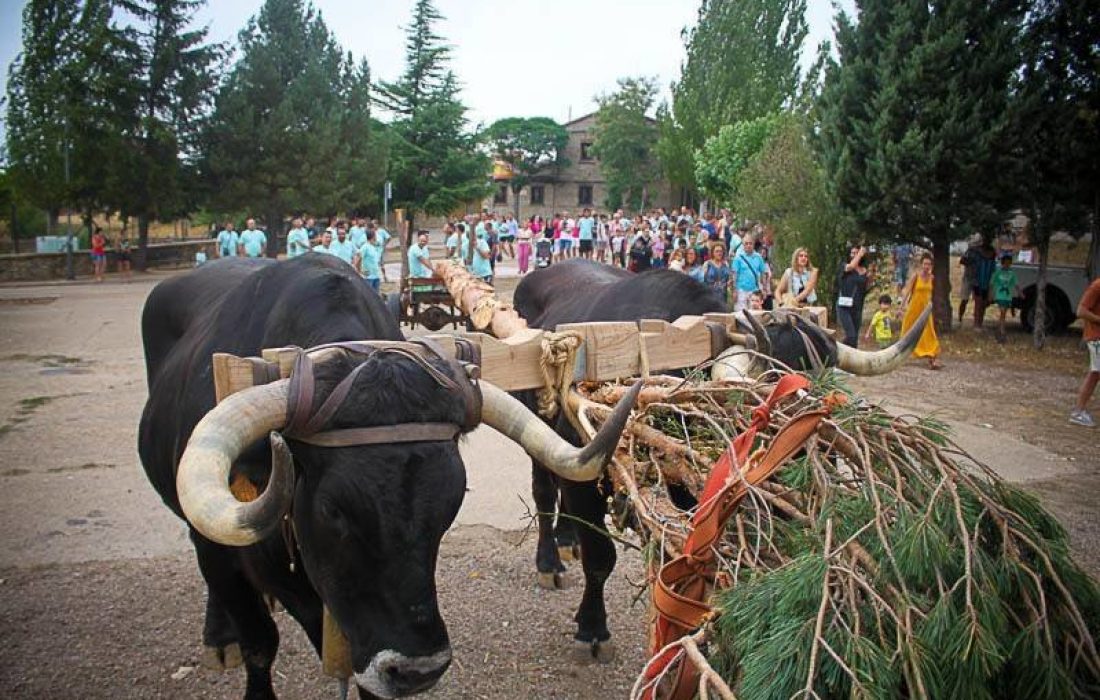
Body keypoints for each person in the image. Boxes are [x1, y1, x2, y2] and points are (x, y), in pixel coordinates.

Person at [901, 253, 942, 369]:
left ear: (931, 266)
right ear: (921, 265)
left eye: (929, 264)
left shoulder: (932, 278)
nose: (926, 266)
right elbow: (907, 291)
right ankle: (902, 355)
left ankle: (932, 358)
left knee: (930, 333)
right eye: (925, 264)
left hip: (925, 310)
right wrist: (901, 308)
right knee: (908, 332)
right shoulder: (916, 276)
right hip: (913, 309)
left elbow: (932, 294)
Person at [1069, 276, 1100, 427]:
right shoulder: (1097, 285)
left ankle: (1079, 410)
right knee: (1095, 372)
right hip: (1096, 336)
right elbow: (1081, 311)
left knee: (1095, 373)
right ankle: (1078, 411)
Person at [836, 244, 872, 347]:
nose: (854, 255)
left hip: (857, 307)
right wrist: (860, 254)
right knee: (850, 335)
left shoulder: (864, 270)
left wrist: (871, 277)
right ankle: (837, 352)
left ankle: (851, 361)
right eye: (852, 253)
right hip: (844, 307)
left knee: (855, 338)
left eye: (856, 253)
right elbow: (851, 266)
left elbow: (865, 288)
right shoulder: (844, 266)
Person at [731, 234, 767, 312]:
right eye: (746, 243)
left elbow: (763, 273)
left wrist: (764, 289)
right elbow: (734, 275)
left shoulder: (758, 257)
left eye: (750, 243)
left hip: (754, 290)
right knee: (740, 313)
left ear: (753, 244)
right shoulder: (738, 258)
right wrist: (734, 290)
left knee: (754, 313)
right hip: (741, 289)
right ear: (743, 245)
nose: (748, 245)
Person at [987, 254, 1018, 343]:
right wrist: (990, 295)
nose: (1007, 265)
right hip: (999, 295)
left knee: (1003, 314)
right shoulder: (997, 273)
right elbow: (991, 284)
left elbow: (1016, 284)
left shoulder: (1012, 274)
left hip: (1007, 296)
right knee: (1003, 311)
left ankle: (999, 330)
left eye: (1009, 263)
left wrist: (1020, 293)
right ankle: (1002, 331)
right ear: (1002, 263)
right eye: (1005, 263)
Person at [354, 227, 384, 293]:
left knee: (376, 296)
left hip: (376, 276)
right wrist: (360, 271)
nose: (376, 237)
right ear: (373, 237)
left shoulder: (373, 247)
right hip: (368, 278)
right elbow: (357, 258)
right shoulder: (365, 247)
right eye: (375, 235)